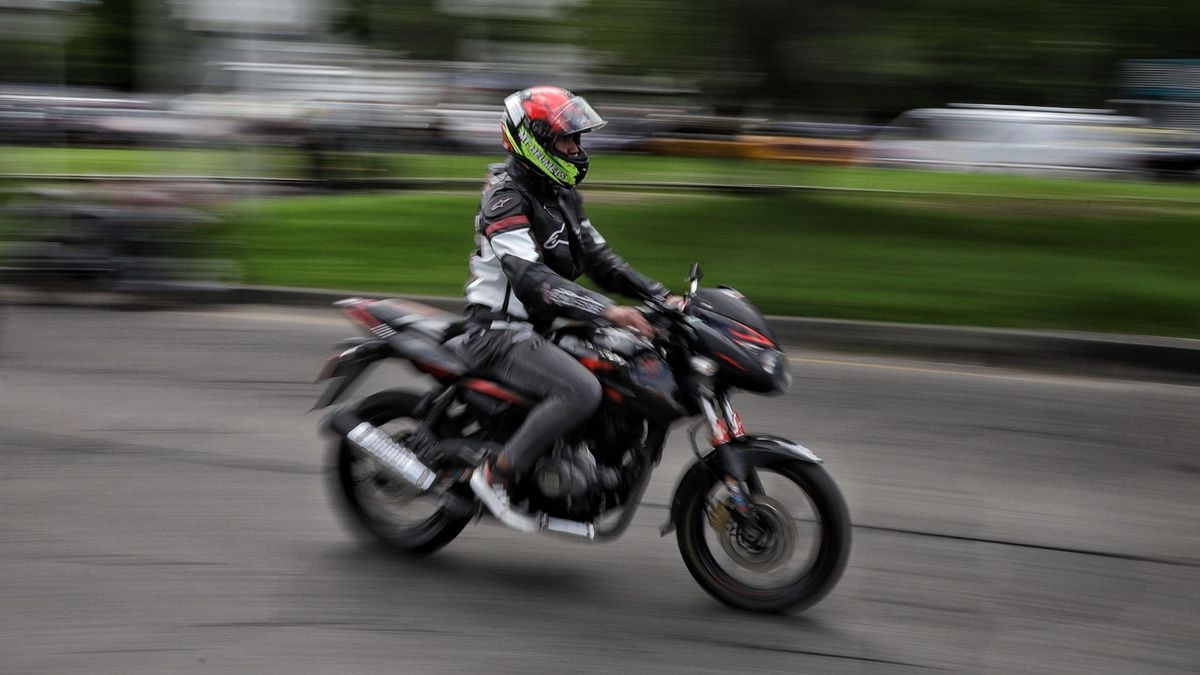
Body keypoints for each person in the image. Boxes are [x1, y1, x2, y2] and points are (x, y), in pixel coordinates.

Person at [463, 86, 675, 521]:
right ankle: (496, 475)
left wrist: (662, 296)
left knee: (626, 360)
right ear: (533, 140)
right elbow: (528, 276)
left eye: (577, 140)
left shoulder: (561, 194)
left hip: (545, 328)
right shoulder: (506, 197)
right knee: (581, 390)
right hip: (500, 333)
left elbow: (600, 259)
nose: (576, 149)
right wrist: (605, 308)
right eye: (566, 140)